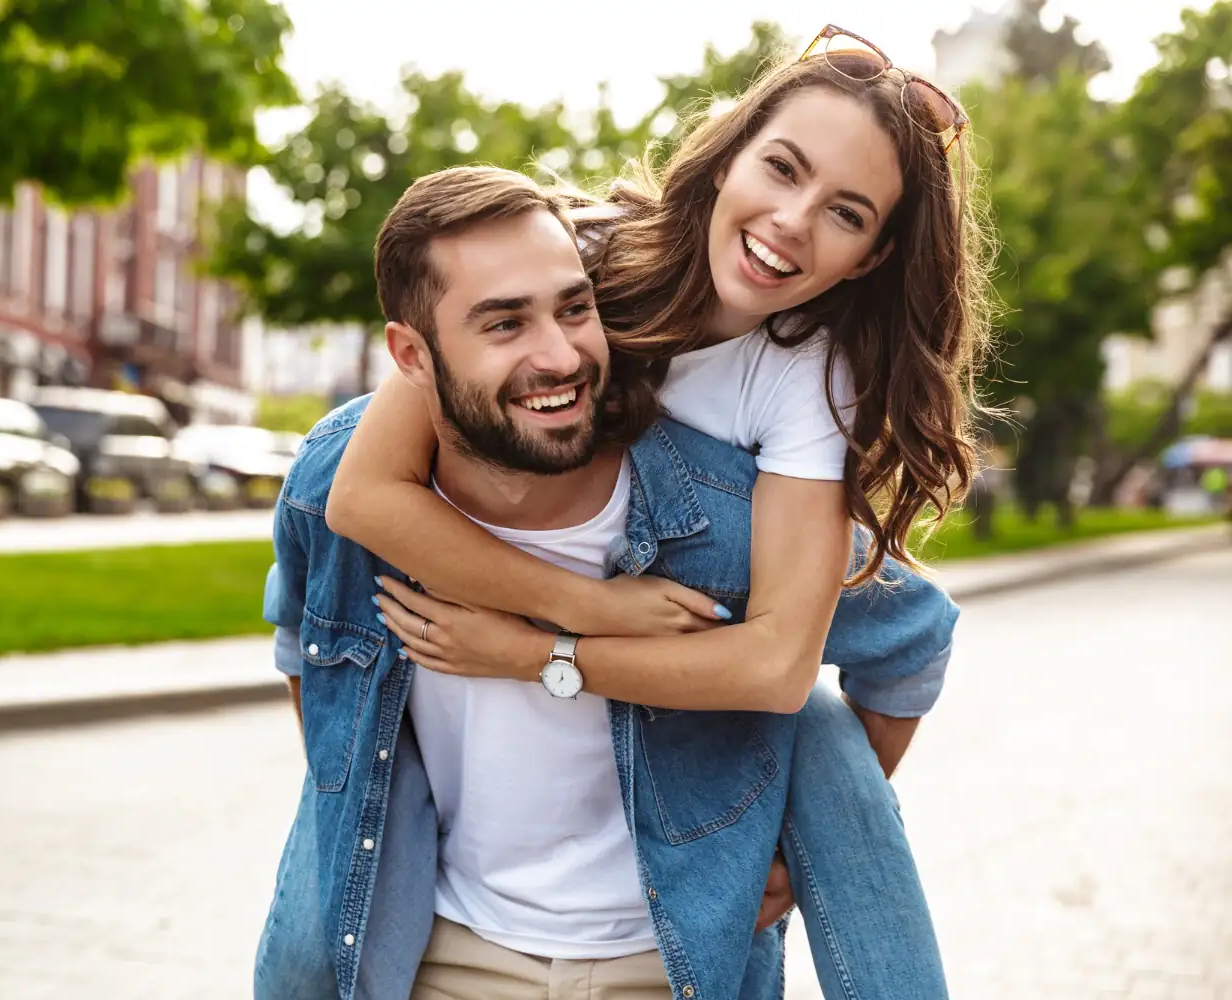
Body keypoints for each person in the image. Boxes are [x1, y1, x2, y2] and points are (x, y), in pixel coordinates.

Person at [320, 24, 986, 1000]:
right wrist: (589, 605)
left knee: (832, 705)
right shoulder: (574, 258)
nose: (794, 222)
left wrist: (537, 652)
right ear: (727, 157)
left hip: (745, 608)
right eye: (782, 169)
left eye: (844, 213)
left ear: (868, 258)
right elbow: (359, 492)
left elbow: (771, 664)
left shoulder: (805, 375)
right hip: (648, 613)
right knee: (324, 453)